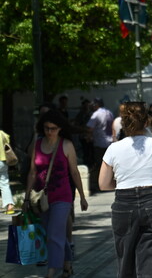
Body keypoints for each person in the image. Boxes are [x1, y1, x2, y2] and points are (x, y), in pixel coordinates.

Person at [98, 102, 152, 278]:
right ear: (146, 122)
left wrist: (121, 182)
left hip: (123, 204)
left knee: (126, 260)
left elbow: (103, 184)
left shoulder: (114, 149)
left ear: (124, 124)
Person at [23, 110, 89, 278]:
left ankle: (52, 270)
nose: (49, 131)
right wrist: (26, 197)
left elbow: (74, 172)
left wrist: (82, 196)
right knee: (51, 233)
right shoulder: (37, 145)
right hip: (41, 197)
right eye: (46, 128)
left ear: (60, 128)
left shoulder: (66, 145)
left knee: (54, 233)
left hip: (62, 196)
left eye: (53, 128)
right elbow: (32, 172)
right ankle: (67, 263)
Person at [86, 98, 114, 193]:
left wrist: (87, 135)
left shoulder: (96, 114)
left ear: (97, 105)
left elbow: (90, 128)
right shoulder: (109, 112)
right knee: (110, 165)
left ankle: (98, 185)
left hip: (100, 143)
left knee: (98, 165)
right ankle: (109, 183)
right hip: (109, 142)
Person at [0, 129, 15, 214]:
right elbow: (7, 139)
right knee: (4, 184)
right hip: (3, 162)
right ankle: (9, 206)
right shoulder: (1, 133)